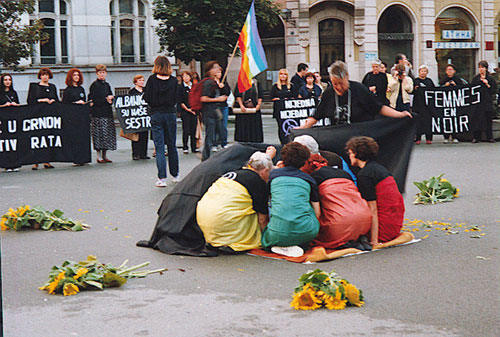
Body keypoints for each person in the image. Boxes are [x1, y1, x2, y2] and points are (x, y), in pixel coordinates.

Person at [196, 148, 275, 252]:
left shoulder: (233, 173)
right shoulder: (257, 182)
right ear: (265, 171)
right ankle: (233, 240)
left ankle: (219, 239)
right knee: (254, 213)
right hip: (223, 222)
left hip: (204, 220)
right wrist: (267, 239)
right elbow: (262, 219)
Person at [298, 61, 412, 129]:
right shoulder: (329, 93)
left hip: (360, 136)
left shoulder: (359, 89)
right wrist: (301, 128)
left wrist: (400, 115)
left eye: (341, 83)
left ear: (347, 76)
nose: (338, 87)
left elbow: (379, 108)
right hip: (337, 137)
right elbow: (316, 116)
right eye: (334, 83)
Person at [345, 136, 414, 248]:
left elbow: (373, 209)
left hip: (384, 228)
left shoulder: (365, 175)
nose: (349, 156)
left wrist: (374, 240)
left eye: (350, 153)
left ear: (356, 153)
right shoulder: (379, 169)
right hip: (395, 223)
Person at [261, 142, 320, 257]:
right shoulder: (309, 180)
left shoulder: (272, 176)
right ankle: (298, 242)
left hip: (275, 233)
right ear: (304, 162)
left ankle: (277, 243)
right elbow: (317, 213)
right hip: (307, 232)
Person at [143, 56, 179, 187]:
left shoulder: (152, 80)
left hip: (156, 113)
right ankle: (175, 175)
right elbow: (176, 97)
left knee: (159, 147)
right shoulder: (174, 81)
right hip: (170, 112)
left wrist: (154, 103)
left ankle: (162, 178)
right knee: (172, 145)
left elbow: (147, 97)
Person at [27, 67, 59, 170]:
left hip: (49, 116)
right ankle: (35, 162)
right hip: (38, 116)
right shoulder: (35, 87)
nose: (45, 77)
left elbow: (57, 100)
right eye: (43, 75)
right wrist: (42, 100)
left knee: (48, 138)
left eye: (47, 75)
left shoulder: (53, 87)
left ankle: (47, 161)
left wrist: (53, 101)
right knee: (37, 138)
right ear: (40, 76)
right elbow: (30, 101)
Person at [88, 64, 116, 163]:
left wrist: (110, 99)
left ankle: (105, 155)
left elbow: (110, 95)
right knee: (99, 135)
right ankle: (98, 156)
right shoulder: (94, 85)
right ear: (97, 73)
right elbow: (93, 99)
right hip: (98, 113)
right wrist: (105, 99)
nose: (102, 74)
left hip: (107, 112)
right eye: (100, 72)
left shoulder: (107, 85)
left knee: (107, 135)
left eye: (103, 72)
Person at [200, 61, 226, 161]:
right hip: (209, 112)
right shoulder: (208, 82)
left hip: (215, 112)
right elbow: (203, 98)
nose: (218, 69)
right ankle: (206, 158)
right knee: (210, 135)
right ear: (210, 70)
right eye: (215, 68)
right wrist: (218, 99)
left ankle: (211, 156)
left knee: (220, 133)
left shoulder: (215, 82)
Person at [62, 68, 88, 166]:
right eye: (74, 75)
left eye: (78, 75)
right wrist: (75, 103)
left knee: (83, 137)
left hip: (82, 116)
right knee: (74, 138)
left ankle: (84, 158)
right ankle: (76, 158)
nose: (76, 77)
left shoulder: (81, 89)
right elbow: (65, 104)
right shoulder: (67, 90)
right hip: (72, 117)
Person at [471, 61, 497, 143]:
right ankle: (476, 137)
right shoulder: (476, 78)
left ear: (486, 68)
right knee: (477, 119)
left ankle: (489, 137)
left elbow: (494, 90)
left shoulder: (490, 79)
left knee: (488, 120)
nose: (481, 69)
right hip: (478, 102)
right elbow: (472, 89)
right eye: (479, 67)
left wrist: (487, 84)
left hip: (487, 102)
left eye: (482, 67)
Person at [440, 64, 467, 143]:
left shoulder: (458, 79)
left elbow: (463, 88)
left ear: (454, 71)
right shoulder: (443, 79)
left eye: (451, 69)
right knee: (446, 120)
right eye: (448, 69)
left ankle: (455, 136)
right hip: (446, 103)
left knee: (455, 119)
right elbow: (439, 88)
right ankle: (446, 136)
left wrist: (456, 85)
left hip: (455, 102)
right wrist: (445, 85)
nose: (449, 71)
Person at [0, 73, 21, 172]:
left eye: (9, 80)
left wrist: (15, 104)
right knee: (5, 143)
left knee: (14, 142)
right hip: (3, 121)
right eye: (5, 80)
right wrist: (4, 105)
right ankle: (6, 164)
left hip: (13, 121)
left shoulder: (14, 92)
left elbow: (18, 104)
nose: (7, 82)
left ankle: (15, 163)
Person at [270, 68, 297, 144]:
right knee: (281, 126)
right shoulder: (275, 86)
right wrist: (277, 99)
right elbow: (271, 96)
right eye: (281, 74)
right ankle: (282, 141)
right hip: (279, 110)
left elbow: (295, 96)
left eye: (285, 74)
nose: (283, 76)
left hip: (289, 110)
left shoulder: (291, 86)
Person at [234, 79, 264, 143]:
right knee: (243, 126)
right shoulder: (241, 82)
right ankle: (243, 140)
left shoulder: (256, 82)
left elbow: (260, 95)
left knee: (254, 126)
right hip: (244, 109)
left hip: (254, 108)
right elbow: (238, 95)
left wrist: (258, 105)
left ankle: (255, 141)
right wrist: (241, 105)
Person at [128, 74, 150, 160]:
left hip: (144, 115)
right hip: (136, 116)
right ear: (135, 82)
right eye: (140, 80)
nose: (142, 82)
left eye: (142, 80)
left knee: (145, 134)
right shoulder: (132, 91)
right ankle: (136, 153)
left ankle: (143, 153)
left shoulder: (146, 90)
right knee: (136, 135)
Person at [413, 65, 435, 144]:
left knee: (428, 121)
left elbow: (434, 91)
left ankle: (429, 138)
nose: (423, 73)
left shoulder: (429, 81)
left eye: (425, 71)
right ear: (419, 72)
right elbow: (411, 91)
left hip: (427, 105)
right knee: (418, 121)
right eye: (422, 71)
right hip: (417, 104)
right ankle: (418, 138)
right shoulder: (415, 81)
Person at [177, 71, 197, 154]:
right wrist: (187, 109)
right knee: (186, 129)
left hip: (194, 110)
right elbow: (180, 101)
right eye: (184, 76)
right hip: (185, 111)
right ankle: (185, 147)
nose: (185, 78)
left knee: (193, 129)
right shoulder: (180, 87)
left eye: (187, 76)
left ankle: (194, 147)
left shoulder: (194, 86)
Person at [214, 67, 230, 150]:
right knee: (216, 125)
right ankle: (215, 143)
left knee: (223, 125)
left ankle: (224, 142)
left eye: (220, 72)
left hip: (223, 106)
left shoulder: (224, 82)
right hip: (215, 106)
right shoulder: (211, 83)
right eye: (217, 72)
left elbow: (228, 92)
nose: (219, 74)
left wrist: (223, 87)